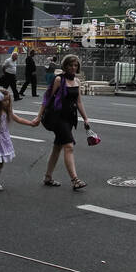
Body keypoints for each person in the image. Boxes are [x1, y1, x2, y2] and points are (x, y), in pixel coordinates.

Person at [29, 54, 91, 190]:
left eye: (75, 65)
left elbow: (78, 101)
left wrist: (85, 118)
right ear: (65, 66)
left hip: (69, 119)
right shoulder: (59, 80)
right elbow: (47, 98)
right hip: (57, 117)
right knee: (69, 146)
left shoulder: (77, 82)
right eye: (70, 65)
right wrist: (38, 116)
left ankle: (48, 177)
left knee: (58, 147)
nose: (73, 68)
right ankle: (75, 180)